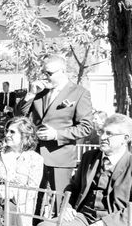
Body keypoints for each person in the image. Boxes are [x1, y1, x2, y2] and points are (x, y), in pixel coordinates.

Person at [16, 54, 93, 197]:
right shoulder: (39, 91)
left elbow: (86, 127)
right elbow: (19, 116)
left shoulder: (80, 93)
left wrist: (57, 134)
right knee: (31, 201)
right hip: (34, 154)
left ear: (63, 71)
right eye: (44, 72)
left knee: (60, 202)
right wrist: (31, 94)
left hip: (60, 158)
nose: (46, 76)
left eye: (49, 73)